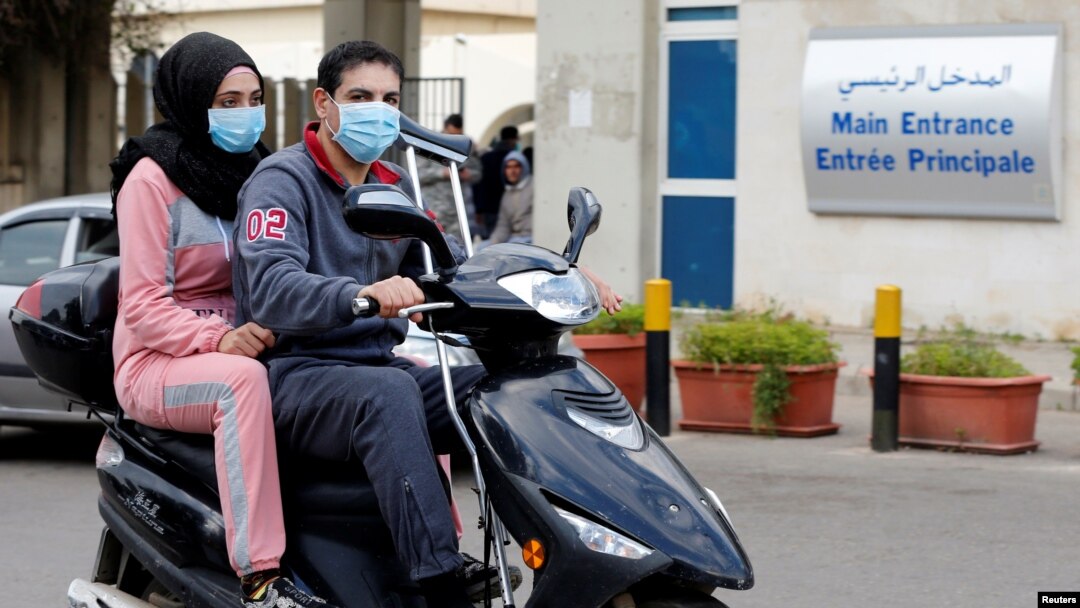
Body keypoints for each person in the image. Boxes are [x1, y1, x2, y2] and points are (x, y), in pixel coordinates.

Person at [108, 33, 336, 608]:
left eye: (253, 98)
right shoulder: (151, 181)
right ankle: (260, 574)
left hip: (251, 341)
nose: (245, 114)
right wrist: (219, 337)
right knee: (240, 384)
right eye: (227, 101)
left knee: (398, 374)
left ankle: (429, 551)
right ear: (189, 100)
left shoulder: (264, 173)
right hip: (157, 359)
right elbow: (140, 306)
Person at [415, 113, 482, 242]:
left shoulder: (467, 145)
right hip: (434, 210)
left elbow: (478, 173)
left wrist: (468, 175)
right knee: (432, 249)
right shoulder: (428, 145)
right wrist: (441, 173)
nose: (453, 139)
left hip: (458, 213)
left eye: (457, 135)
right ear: (445, 128)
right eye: (450, 134)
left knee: (458, 252)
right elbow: (418, 175)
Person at [472, 125, 518, 239]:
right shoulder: (515, 161)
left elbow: (479, 185)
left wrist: (479, 209)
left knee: (490, 244)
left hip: (488, 209)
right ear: (514, 139)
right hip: (510, 209)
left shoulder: (486, 158)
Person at [486, 150, 533, 245]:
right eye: (508, 167)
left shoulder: (534, 187)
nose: (512, 171)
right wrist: (492, 243)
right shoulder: (507, 195)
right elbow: (503, 226)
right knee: (480, 249)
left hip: (531, 240)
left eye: (516, 166)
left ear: (524, 167)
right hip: (514, 240)